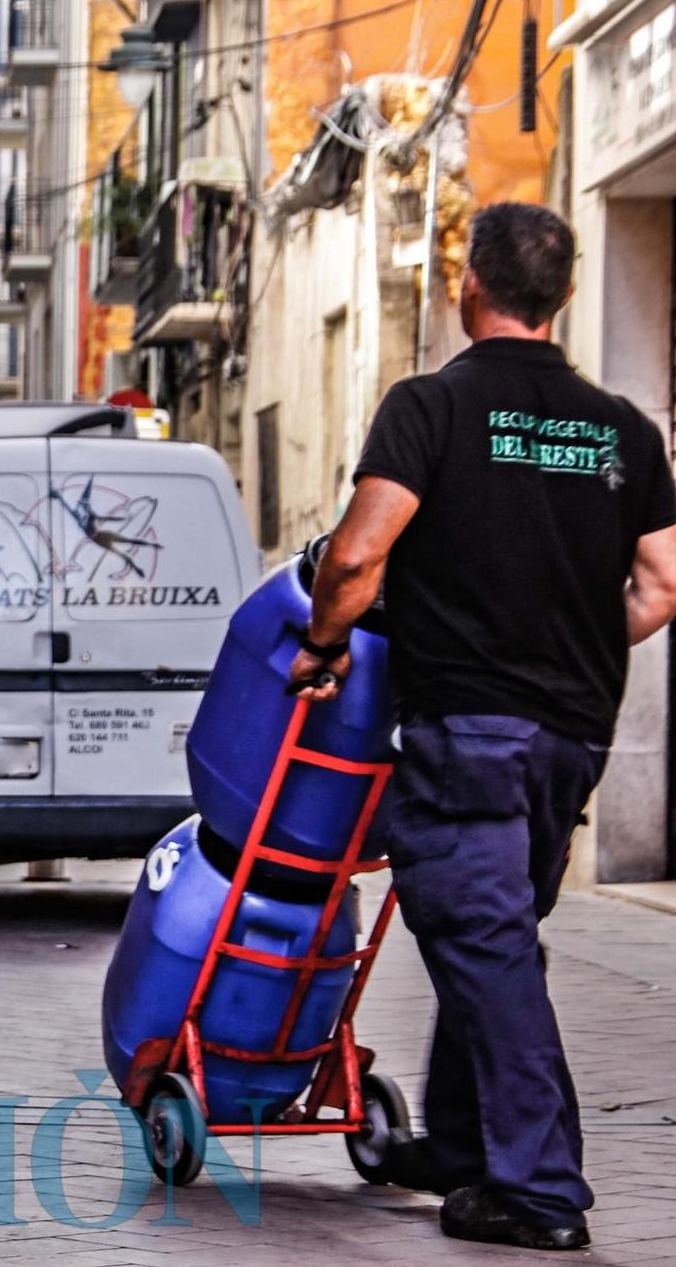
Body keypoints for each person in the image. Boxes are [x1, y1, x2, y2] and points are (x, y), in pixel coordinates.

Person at [291, 202, 676, 1251]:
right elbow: (660, 584)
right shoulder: (622, 429)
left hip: (468, 726)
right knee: (497, 930)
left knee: (483, 940)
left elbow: (359, 555)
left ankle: (537, 1191)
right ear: (558, 296)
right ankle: (457, 1146)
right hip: (569, 737)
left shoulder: (430, 407)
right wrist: (576, 647)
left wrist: (322, 645)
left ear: (470, 285)